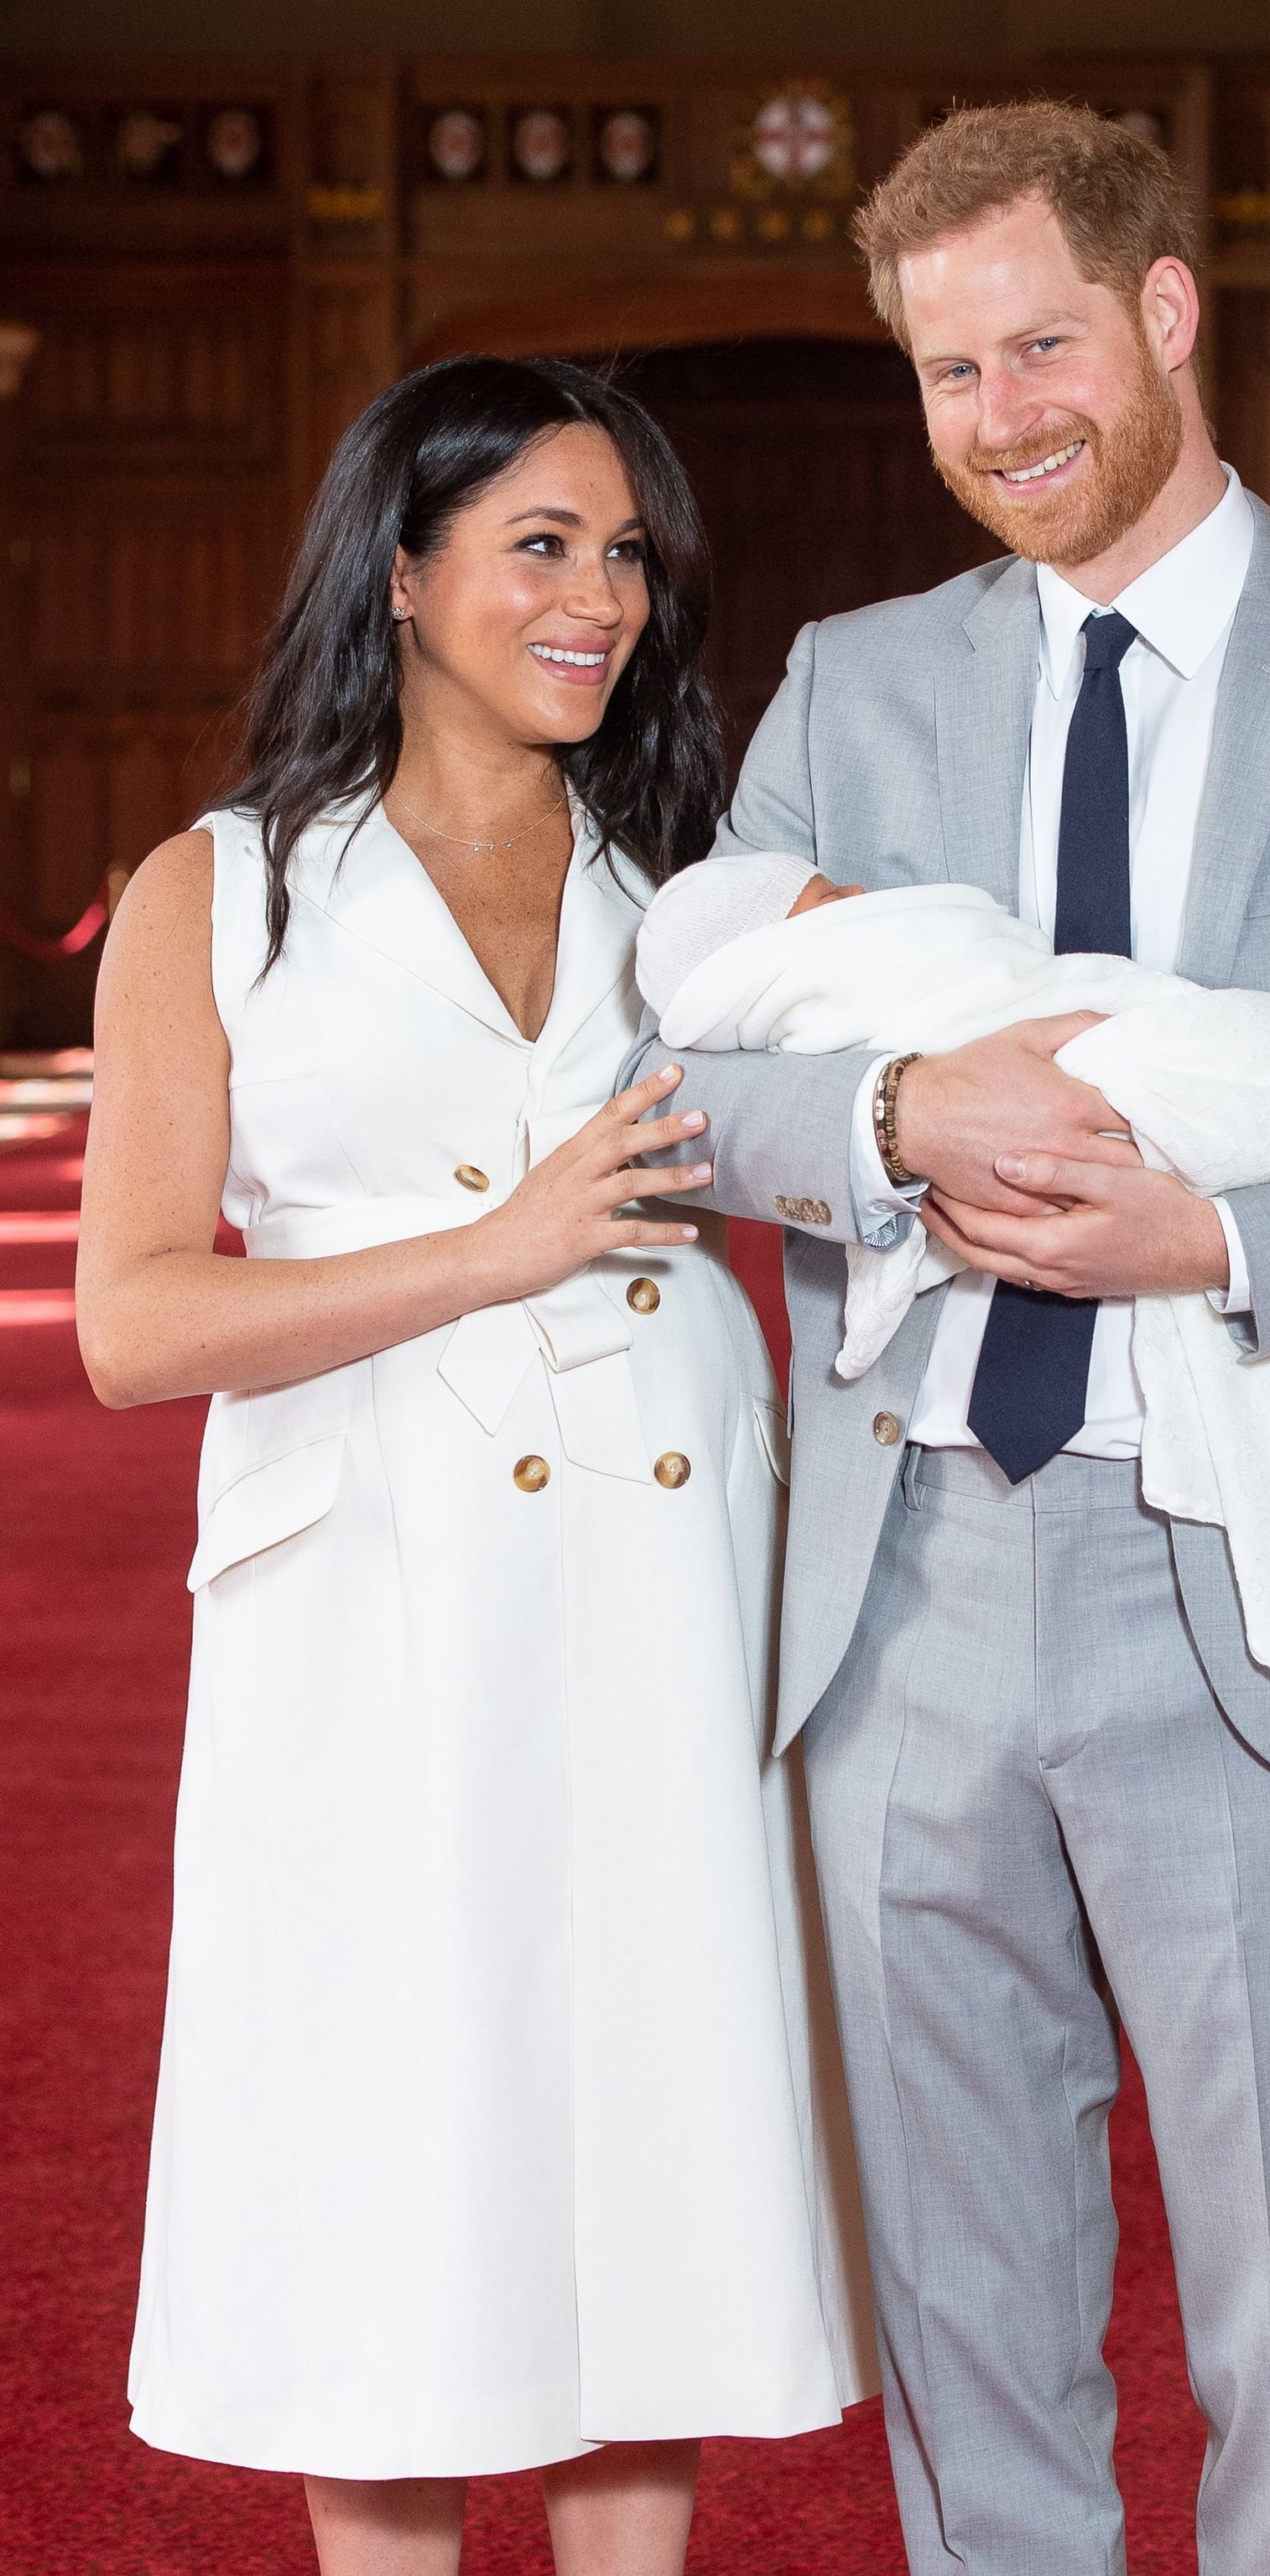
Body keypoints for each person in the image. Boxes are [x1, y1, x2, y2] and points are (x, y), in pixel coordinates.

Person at [629, 101, 1270, 2576]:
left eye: (1038, 345)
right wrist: (893, 1104)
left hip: (1250, 1557)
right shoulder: (850, 683)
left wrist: (1214, 1232)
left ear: (1165, 312)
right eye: (943, 369)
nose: (996, 414)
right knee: (959, 2286)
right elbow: (687, 1083)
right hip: (903, 1589)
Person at [75, 355, 872, 2576]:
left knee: (647, 2181)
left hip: (666, 1570)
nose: (598, 596)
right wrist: (495, 1246)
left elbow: (874, 1131)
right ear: (403, 570)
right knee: (401, 2173)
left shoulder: (697, 890)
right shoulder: (218, 890)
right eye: (541, 544)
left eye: (625, 555)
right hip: (371, 1601)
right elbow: (136, 1322)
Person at [633, 848, 1270, 1698]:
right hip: (909, 1517)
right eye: (829, 899)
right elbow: (658, 1089)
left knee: (1241, 1068)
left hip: (1189, 1488)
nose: (861, 896)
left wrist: (1219, 1242)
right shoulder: (819, 739)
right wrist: (900, 1117)